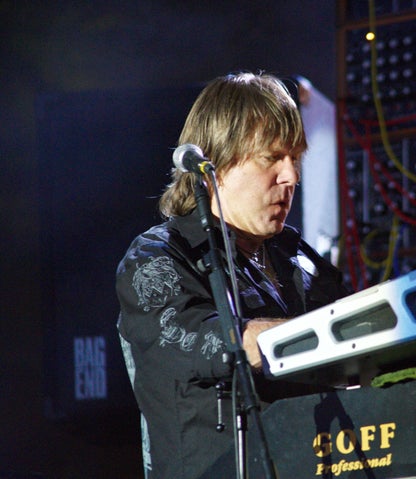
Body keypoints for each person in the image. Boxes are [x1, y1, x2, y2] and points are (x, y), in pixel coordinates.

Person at [115, 72, 350, 478]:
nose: (291, 176)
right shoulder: (158, 257)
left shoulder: (300, 259)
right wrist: (315, 336)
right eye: (271, 158)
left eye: (295, 158)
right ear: (215, 165)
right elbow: (198, 339)